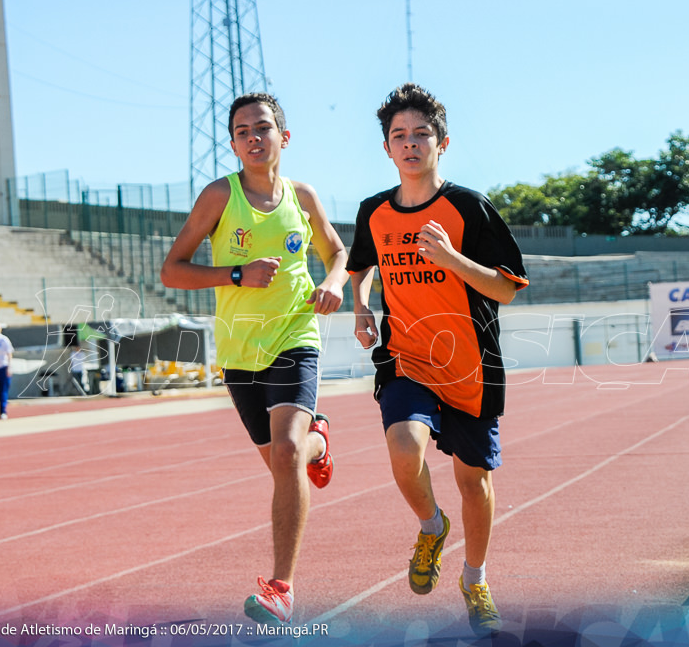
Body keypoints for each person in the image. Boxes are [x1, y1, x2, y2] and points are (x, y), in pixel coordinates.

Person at [346, 83, 529, 636]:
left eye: (420, 134)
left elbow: (508, 288)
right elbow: (360, 267)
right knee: (403, 446)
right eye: (398, 136)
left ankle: (474, 578)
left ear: (441, 142)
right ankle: (431, 526)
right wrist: (359, 309)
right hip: (407, 359)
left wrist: (451, 259)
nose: (409, 144)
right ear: (386, 148)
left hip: (471, 367)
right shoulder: (373, 212)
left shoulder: (468, 207)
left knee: (473, 482)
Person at [160, 92, 348, 626]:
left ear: (283, 137)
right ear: (234, 144)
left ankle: (281, 590)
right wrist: (235, 275)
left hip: (294, 335)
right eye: (242, 131)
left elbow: (336, 250)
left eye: (262, 127)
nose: (253, 137)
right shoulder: (219, 196)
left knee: (284, 455)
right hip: (240, 352)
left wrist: (334, 282)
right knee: (283, 461)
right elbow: (172, 270)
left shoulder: (302, 196)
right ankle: (320, 440)